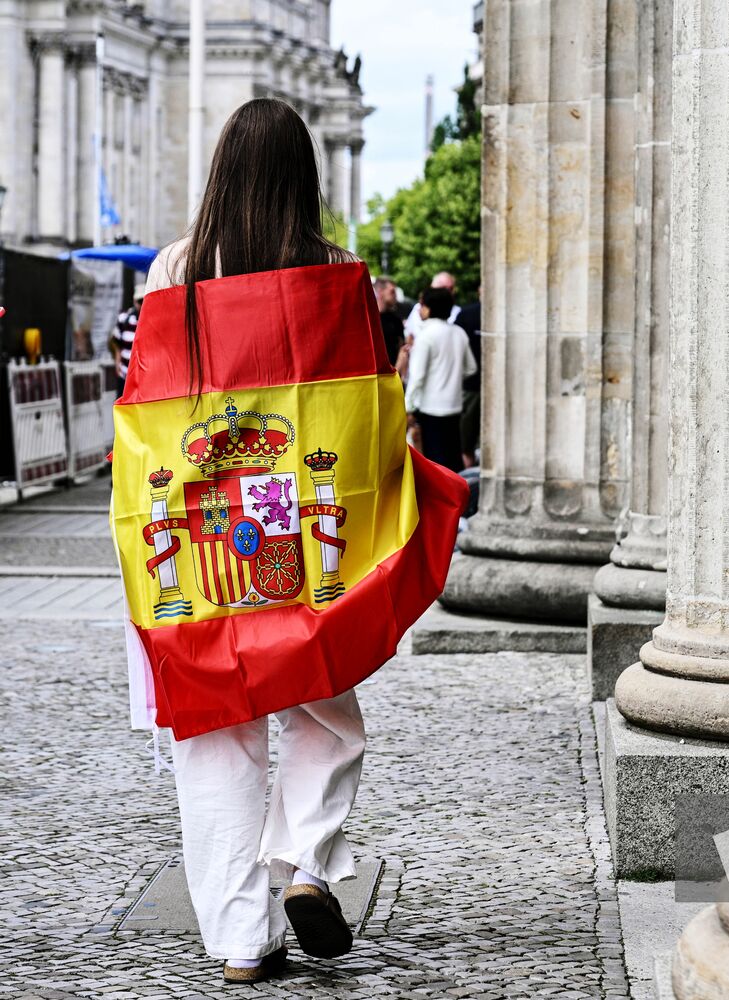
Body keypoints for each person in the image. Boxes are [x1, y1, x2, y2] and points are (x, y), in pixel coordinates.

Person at [115, 98, 467, 985]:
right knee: (323, 705)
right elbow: (370, 416)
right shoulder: (337, 272)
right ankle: (305, 862)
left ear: (221, 173)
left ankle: (241, 938)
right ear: (302, 179)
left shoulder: (174, 271)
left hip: (204, 538)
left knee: (214, 732)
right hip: (304, 531)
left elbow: (144, 412)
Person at [403, 286, 475, 472]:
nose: (419, 309)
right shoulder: (458, 332)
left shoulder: (426, 336)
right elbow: (470, 368)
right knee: (453, 460)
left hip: (430, 409)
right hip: (455, 406)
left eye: (421, 305)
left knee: (435, 463)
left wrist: (408, 407)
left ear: (429, 308)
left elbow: (417, 377)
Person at [452, 290, 481, 466]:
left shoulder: (466, 314)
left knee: (466, 443)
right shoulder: (467, 314)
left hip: (471, 387)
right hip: (474, 386)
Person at [403, 270, 460, 341]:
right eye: (443, 288)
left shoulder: (459, 312)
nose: (447, 292)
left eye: (451, 288)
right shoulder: (418, 307)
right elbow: (409, 335)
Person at [110, 289, 144, 396]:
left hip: (142, 376)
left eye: (144, 301)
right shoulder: (124, 319)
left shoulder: (151, 319)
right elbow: (115, 342)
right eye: (139, 301)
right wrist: (117, 362)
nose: (141, 305)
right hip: (125, 371)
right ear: (134, 301)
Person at [373, 276, 404, 362]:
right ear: (380, 291)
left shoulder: (396, 320)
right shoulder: (369, 319)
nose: (395, 296)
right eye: (392, 292)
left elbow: (401, 347)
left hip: (393, 371)